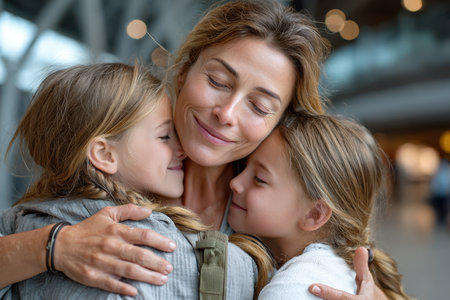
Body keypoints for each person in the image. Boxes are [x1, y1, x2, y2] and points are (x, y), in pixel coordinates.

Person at [0, 1, 387, 299]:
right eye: (218, 80)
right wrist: (53, 246)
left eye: (259, 106)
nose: (226, 114)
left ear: (278, 122)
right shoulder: (118, 163)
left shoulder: (275, 207)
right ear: (184, 72)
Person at [0, 62, 269, 299]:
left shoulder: (16, 221)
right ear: (105, 154)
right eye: (165, 136)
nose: (182, 150)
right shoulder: (144, 235)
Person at [227, 111, 411, 299]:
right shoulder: (335, 271)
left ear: (314, 214)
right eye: (243, 166)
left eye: (259, 179)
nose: (235, 182)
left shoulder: (293, 289)